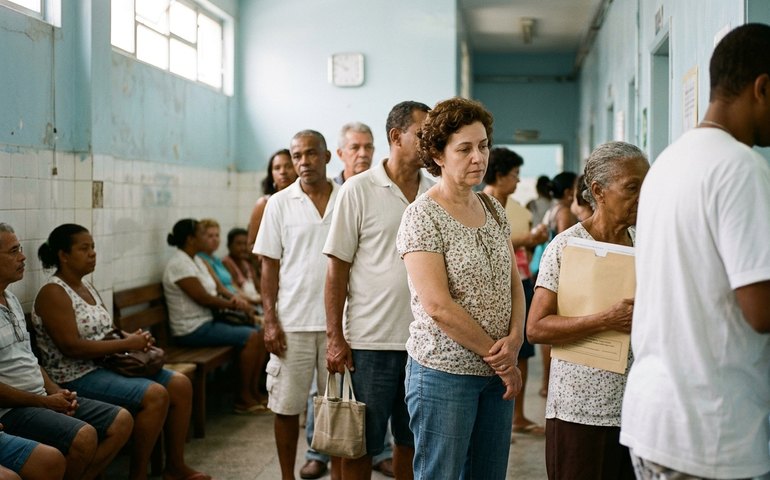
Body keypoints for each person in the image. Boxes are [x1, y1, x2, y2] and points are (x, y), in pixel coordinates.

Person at [621, 23, 770, 480]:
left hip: (654, 421)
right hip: (710, 431)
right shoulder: (742, 167)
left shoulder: (668, 162)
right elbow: (760, 310)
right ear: (763, 88)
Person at [396, 97, 525, 479]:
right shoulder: (422, 215)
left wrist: (516, 338)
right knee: (442, 473)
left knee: (488, 473)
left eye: (483, 146)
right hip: (443, 373)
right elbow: (438, 305)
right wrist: (499, 357)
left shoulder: (492, 207)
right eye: (464, 149)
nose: (478, 157)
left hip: (496, 371)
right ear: (437, 154)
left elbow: (513, 283)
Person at [31, 223, 209, 480]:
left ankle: (175, 467)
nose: (92, 253)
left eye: (93, 247)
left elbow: (108, 328)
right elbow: (72, 347)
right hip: (75, 375)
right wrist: (126, 345)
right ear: (63, 255)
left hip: (107, 365)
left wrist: (133, 338)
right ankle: (137, 475)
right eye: (84, 248)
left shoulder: (87, 286)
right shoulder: (53, 292)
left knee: (180, 384)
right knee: (155, 395)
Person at [526, 141, 649, 480]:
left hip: (637, 409)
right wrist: (607, 319)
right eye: (632, 187)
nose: (642, 196)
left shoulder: (648, 244)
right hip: (579, 410)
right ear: (598, 191)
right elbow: (536, 328)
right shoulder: (566, 247)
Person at [325, 101, 431, 480]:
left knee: (412, 441)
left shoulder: (436, 193)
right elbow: (337, 269)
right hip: (370, 343)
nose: (430, 141)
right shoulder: (358, 190)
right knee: (359, 446)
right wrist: (335, 337)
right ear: (395, 137)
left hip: (425, 343)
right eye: (422, 134)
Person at [0, 223, 132, 480]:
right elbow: (71, 347)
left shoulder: (11, 299)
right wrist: (43, 401)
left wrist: (55, 390)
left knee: (121, 421)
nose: (23, 256)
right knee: (83, 436)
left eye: (20, 249)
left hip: (42, 394)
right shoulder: (53, 292)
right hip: (12, 408)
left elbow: (29, 359)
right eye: (13, 251)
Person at [254, 130, 339, 480]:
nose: (303, 162)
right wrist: (270, 321)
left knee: (337, 409)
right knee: (286, 407)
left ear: (327, 156)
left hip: (342, 325)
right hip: (293, 324)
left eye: (311, 154)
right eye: (297, 156)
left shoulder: (347, 197)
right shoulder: (279, 203)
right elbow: (268, 267)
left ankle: (337, 474)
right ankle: (287, 476)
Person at [163, 218, 268, 414]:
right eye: (203, 234)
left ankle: (254, 392)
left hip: (208, 322)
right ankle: (243, 397)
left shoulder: (197, 260)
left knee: (261, 332)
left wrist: (238, 301)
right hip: (191, 329)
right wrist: (234, 306)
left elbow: (218, 288)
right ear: (190, 239)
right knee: (251, 337)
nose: (208, 239)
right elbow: (204, 299)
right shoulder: (179, 264)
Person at [482, 147, 548, 438]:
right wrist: (526, 238)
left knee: (521, 350)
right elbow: (495, 243)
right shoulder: (483, 203)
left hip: (520, 280)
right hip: (497, 287)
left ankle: (516, 415)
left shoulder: (513, 207)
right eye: (514, 175)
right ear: (499, 175)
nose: (518, 182)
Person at [531, 170, 578, 398]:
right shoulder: (565, 213)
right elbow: (565, 246)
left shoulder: (552, 209)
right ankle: (548, 383)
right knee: (552, 330)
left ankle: (546, 382)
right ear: (570, 192)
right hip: (556, 272)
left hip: (542, 267)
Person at [198, 218, 259, 309]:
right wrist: (250, 301)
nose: (215, 239)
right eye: (210, 236)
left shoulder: (216, 260)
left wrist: (247, 299)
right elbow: (220, 289)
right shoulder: (201, 260)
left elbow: (233, 285)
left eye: (217, 235)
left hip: (239, 298)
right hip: (229, 303)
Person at [246, 149, 298, 252]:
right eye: (277, 168)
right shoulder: (264, 203)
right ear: (271, 174)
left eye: (288, 166)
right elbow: (251, 245)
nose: (283, 172)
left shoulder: (303, 201)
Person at [222, 228, 260, 304]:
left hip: (257, 301)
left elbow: (258, 286)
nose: (243, 248)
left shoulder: (247, 263)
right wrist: (254, 300)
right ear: (229, 245)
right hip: (243, 303)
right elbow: (233, 288)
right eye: (238, 244)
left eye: (245, 244)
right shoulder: (226, 262)